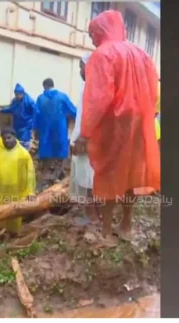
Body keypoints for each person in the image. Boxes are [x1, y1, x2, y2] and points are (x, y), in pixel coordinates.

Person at [74, 10, 160, 246]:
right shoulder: (142, 54)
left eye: (92, 33)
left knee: (109, 175)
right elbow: (154, 89)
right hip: (139, 123)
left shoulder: (102, 55)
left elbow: (98, 98)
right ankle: (126, 226)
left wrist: (85, 133)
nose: (92, 39)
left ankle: (106, 232)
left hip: (114, 126)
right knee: (132, 174)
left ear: (102, 30)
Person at [70, 54, 99, 226]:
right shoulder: (90, 86)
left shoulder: (92, 87)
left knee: (87, 177)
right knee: (89, 177)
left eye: (81, 66)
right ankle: (94, 214)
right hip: (86, 137)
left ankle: (92, 216)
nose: (79, 70)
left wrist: (82, 139)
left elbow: (89, 117)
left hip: (86, 139)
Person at [34, 78, 77, 189]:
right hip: (60, 131)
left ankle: (46, 184)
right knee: (60, 158)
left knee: (47, 162)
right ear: (53, 85)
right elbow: (74, 111)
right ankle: (60, 181)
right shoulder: (62, 96)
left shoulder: (40, 98)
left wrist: (35, 130)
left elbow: (36, 116)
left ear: (44, 86)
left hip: (45, 133)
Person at [0, 83, 37, 150]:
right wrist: (1, 110)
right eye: (16, 95)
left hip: (26, 126)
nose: (18, 96)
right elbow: (11, 109)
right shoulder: (15, 100)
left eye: (19, 94)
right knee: (16, 143)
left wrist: (33, 126)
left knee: (24, 144)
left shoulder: (29, 101)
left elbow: (36, 112)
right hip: (16, 125)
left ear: (23, 93)